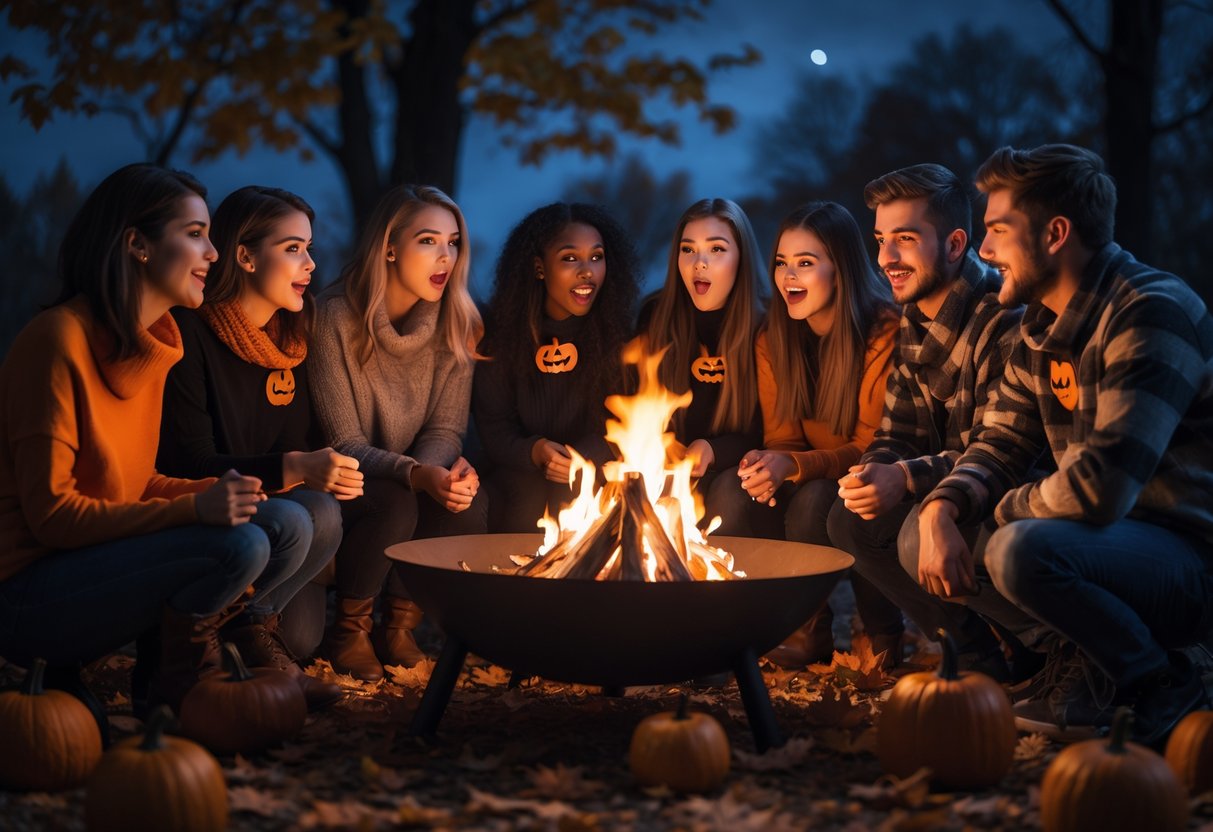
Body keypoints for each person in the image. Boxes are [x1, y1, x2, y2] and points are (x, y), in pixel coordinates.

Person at [911, 144, 1213, 745]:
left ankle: (1162, 678)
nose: (984, 249)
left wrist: (998, 512)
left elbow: (1101, 489)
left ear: (1055, 233)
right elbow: (999, 438)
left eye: (997, 230)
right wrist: (942, 508)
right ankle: (1083, 665)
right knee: (924, 536)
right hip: (1102, 546)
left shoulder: (1151, 313)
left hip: (1186, 559)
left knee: (1019, 549)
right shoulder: (1042, 326)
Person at [0, 164, 274, 722]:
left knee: (270, 524)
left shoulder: (150, 347)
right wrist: (195, 509)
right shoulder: (57, 342)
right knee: (237, 548)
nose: (214, 254)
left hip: (85, 567)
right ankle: (175, 686)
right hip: (23, 593)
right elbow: (52, 516)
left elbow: (134, 483)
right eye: (195, 234)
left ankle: (159, 677)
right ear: (137, 245)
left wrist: (214, 491)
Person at [158, 185, 360, 709]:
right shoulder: (191, 333)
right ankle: (210, 638)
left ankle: (251, 626)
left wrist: (321, 469)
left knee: (324, 509)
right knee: (298, 518)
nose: (311, 264)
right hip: (203, 506)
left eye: (309, 248)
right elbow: (188, 462)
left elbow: (293, 445)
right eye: (293, 249)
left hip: (265, 509)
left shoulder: (291, 336)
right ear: (245, 256)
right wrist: (294, 467)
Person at [826, 164, 1026, 673]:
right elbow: (898, 431)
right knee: (849, 517)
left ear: (956, 244)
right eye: (880, 239)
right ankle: (972, 651)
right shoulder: (915, 320)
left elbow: (1001, 450)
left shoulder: (1004, 319)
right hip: (956, 489)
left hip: (1005, 497)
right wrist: (877, 470)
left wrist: (907, 478)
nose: (885, 258)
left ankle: (1044, 646)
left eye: (905, 239)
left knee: (918, 528)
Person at [310, 184, 486, 682]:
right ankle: (350, 630)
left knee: (467, 500)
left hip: (409, 474)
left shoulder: (457, 323)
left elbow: (446, 426)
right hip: (342, 481)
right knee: (397, 500)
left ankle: (399, 628)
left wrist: (437, 471)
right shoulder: (335, 318)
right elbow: (342, 441)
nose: (445, 256)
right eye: (428, 241)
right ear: (389, 246)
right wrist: (416, 474)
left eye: (453, 243)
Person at [740, 201, 901, 667]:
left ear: (841, 268)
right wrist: (769, 466)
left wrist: (795, 465)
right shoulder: (773, 339)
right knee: (769, 492)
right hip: (811, 477)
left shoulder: (882, 331)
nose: (789, 276)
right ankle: (806, 631)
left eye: (806, 263)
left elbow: (873, 444)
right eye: (782, 263)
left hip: (877, 471)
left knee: (832, 496)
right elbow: (784, 440)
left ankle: (882, 633)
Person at [473, 202, 640, 533]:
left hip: (593, 472)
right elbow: (493, 426)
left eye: (596, 257)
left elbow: (626, 420)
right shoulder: (503, 337)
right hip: (517, 475)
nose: (586, 271)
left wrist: (582, 458)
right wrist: (533, 451)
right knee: (526, 495)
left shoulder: (619, 337)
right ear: (539, 267)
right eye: (569, 258)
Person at [633, 198, 764, 535]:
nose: (699, 263)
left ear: (741, 258)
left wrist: (713, 450)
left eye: (717, 250)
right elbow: (633, 404)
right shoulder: (655, 316)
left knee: (729, 493)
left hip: (738, 468)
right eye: (688, 250)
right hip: (666, 466)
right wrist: (661, 443)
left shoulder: (766, 325)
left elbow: (772, 429)